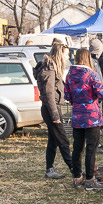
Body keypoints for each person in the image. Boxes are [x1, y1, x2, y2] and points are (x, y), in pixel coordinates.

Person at [64, 48, 103, 187]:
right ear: (88, 58)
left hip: (77, 115)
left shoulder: (70, 74)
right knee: (91, 148)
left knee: (77, 148)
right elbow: (102, 94)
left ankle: (77, 177)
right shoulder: (91, 74)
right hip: (92, 116)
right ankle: (90, 179)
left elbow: (67, 96)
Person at [34, 39, 76, 179]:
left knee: (53, 141)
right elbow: (49, 94)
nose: (68, 57)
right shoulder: (50, 70)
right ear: (59, 54)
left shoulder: (52, 68)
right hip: (51, 109)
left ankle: (49, 169)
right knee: (63, 140)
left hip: (52, 108)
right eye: (66, 54)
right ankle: (74, 169)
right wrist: (55, 115)